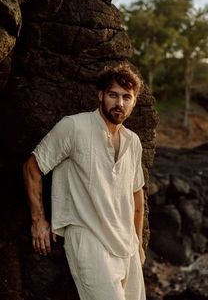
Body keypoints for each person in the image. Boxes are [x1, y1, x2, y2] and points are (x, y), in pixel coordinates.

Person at [23, 64, 146, 300]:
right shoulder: (74, 126)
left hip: (127, 244)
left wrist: (138, 242)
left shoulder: (133, 142)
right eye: (113, 95)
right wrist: (38, 221)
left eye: (126, 97)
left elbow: (136, 194)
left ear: (134, 102)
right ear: (100, 95)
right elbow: (32, 167)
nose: (119, 103)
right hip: (89, 238)